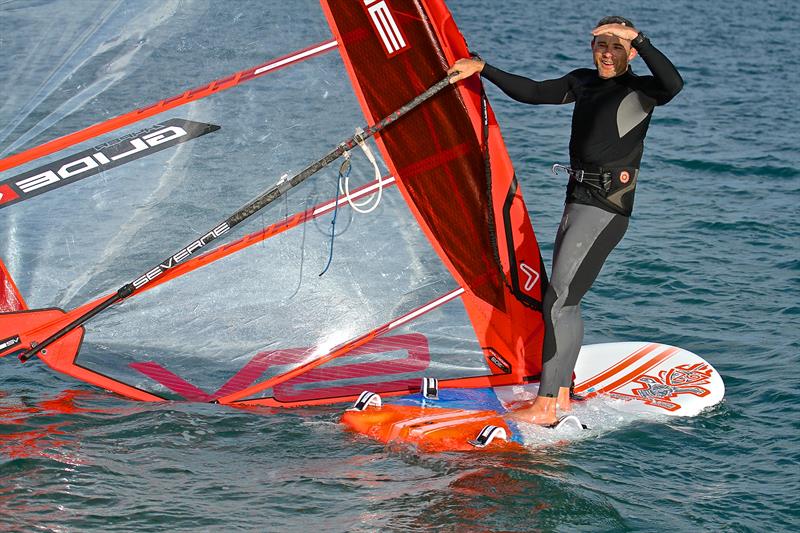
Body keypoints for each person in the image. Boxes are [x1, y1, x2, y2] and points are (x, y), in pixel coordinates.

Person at [447, 16, 683, 425]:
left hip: (606, 207)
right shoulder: (583, 81)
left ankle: (545, 405)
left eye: (615, 47)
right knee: (564, 300)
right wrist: (484, 69)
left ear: (629, 51)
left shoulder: (642, 89)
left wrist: (641, 39)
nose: (606, 54)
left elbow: (673, 84)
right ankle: (560, 395)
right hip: (577, 200)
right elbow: (536, 93)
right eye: (600, 46)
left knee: (559, 298)